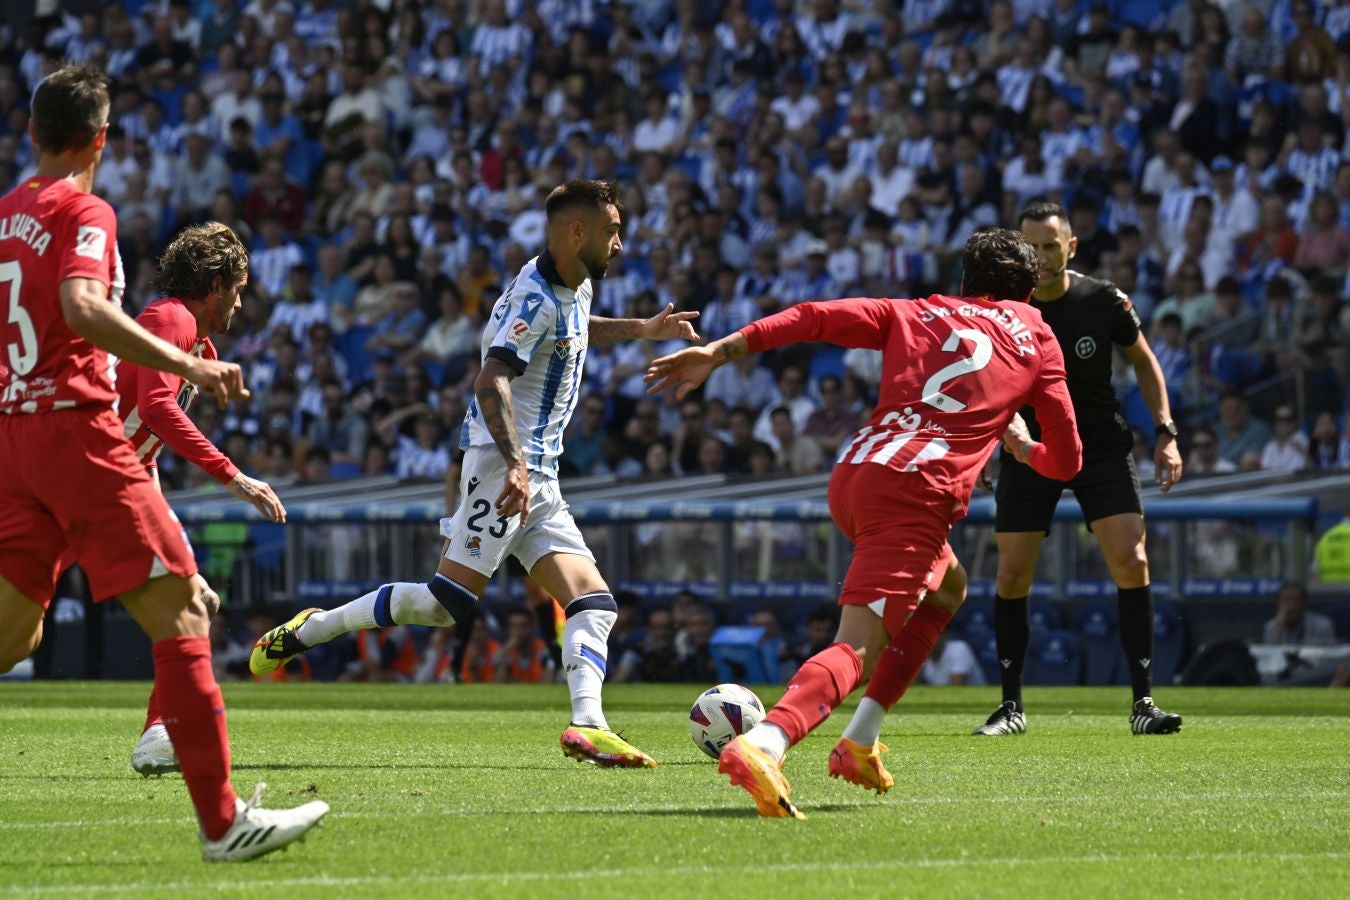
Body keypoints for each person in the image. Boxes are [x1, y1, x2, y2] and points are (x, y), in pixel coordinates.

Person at [249, 180, 698, 767]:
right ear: (576, 231)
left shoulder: (577, 281)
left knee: (594, 603)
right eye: (612, 231)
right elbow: (492, 381)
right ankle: (312, 630)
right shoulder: (532, 298)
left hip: (539, 473)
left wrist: (642, 330)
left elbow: (577, 330)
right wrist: (514, 466)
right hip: (502, 465)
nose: (620, 243)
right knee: (444, 604)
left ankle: (589, 725)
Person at [0, 65, 325, 862]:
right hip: (74, 433)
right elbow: (85, 314)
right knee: (187, 612)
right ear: (100, 139)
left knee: (12, 637)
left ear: (35, 132)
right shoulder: (86, 210)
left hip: (13, 439)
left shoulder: (6, 215)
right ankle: (222, 823)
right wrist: (197, 370)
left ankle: (164, 739)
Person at [645, 227, 1082, 816]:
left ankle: (860, 741)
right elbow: (1068, 460)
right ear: (1028, 293)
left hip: (856, 470)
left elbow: (811, 317)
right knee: (856, 645)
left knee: (949, 587)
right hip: (914, 493)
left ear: (963, 281)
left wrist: (718, 352)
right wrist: (1022, 446)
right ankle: (765, 742)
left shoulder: (915, 311)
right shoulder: (1038, 336)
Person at [973, 201, 1186, 739]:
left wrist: (1166, 431)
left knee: (1132, 559)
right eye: (1031, 247)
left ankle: (1143, 703)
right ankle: (1011, 708)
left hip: (1099, 447)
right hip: (1029, 447)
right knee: (1012, 573)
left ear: (1071, 246)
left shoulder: (1104, 300)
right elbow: (983, 381)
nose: (1041, 257)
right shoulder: (1002, 308)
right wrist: (985, 445)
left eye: (1050, 245)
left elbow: (1143, 359)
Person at [121, 223, 289, 777]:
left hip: (119, 475)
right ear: (215, 284)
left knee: (197, 602)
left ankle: (159, 730)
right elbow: (154, 408)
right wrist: (234, 477)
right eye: (238, 290)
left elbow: (142, 434)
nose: (240, 303)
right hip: (83, 473)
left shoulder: (196, 340)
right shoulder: (171, 319)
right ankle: (160, 732)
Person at [1263, 582, 1337, 645]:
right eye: (1286, 600)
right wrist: (1279, 628)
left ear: (1304, 603)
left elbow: (1330, 655)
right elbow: (1269, 657)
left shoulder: (1323, 625)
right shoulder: (1271, 627)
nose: (1292, 606)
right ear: (1278, 603)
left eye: (1296, 600)